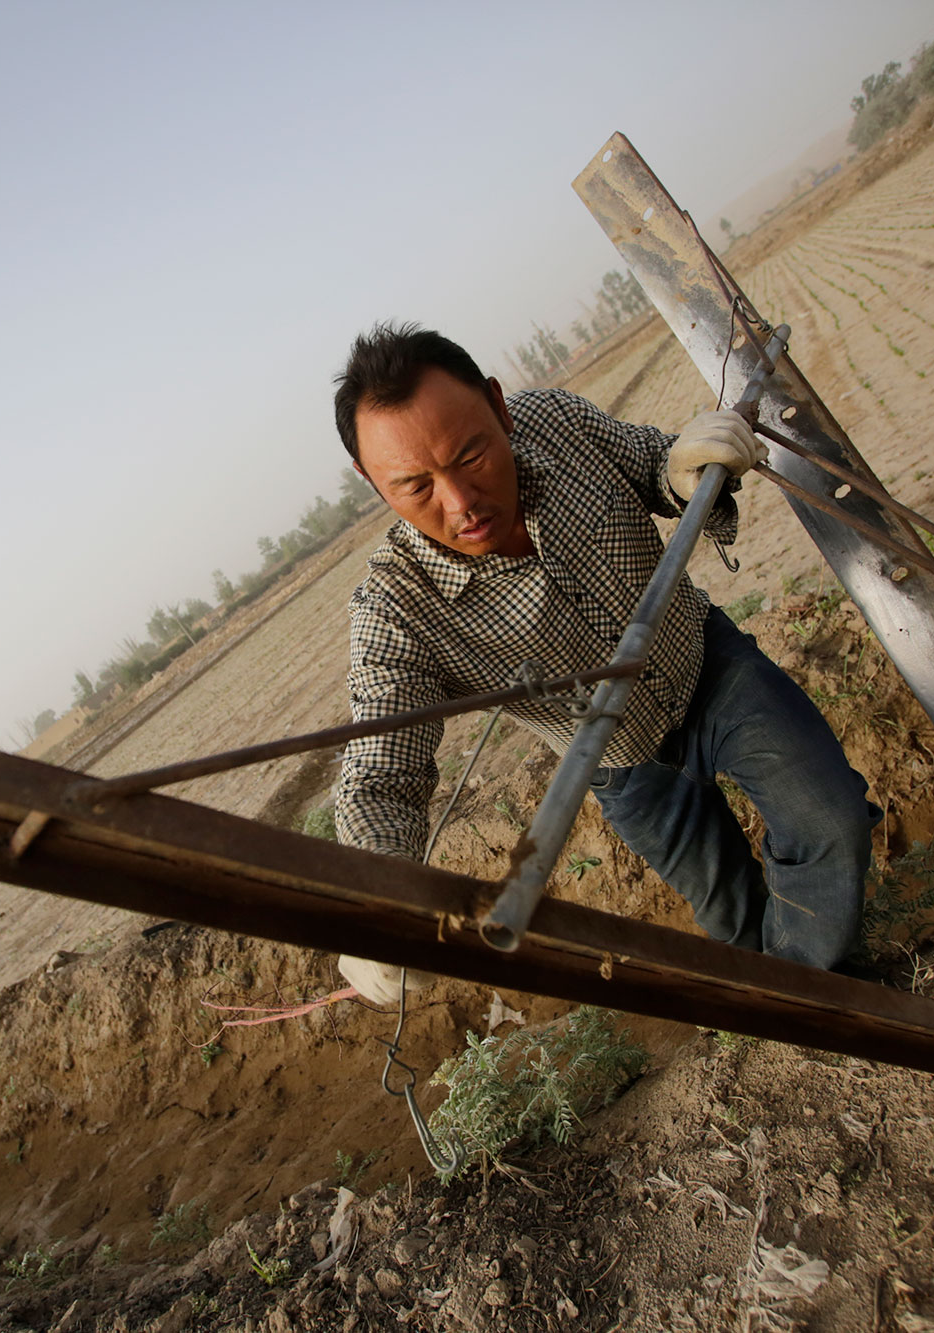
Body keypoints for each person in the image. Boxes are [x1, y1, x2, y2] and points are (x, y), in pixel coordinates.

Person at [328, 322, 879, 1003]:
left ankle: (817, 999)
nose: (461, 503)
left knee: (829, 819)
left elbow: (653, 463)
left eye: (471, 455)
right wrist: (374, 897)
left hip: (706, 665)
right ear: (370, 480)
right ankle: (776, 1011)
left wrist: (683, 468)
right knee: (726, 910)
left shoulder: (554, 421)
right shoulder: (396, 608)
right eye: (415, 487)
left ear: (499, 407)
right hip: (622, 764)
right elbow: (382, 774)